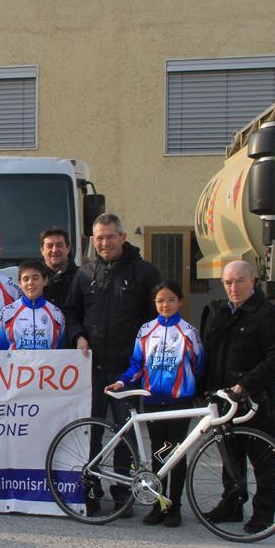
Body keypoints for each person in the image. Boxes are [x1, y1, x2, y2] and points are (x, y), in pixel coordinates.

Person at [63, 213, 161, 516]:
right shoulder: (85, 273)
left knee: (125, 435)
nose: (104, 243)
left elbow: (156, 320)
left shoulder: (145, 272)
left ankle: (123, 492)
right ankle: (91, 490)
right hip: (92, 369)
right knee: (91, 432)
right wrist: (78, 335)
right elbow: (71, 312)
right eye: (99, 238)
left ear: (122, 237)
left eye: (109, 236)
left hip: (127, 371)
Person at [199, 260, 275, 533]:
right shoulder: (219, 313)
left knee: (262, 459)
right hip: (223, 399)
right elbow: (209, 354)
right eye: (228, 282)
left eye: (239, 281)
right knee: (230, 457)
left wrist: (246, 385)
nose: (233, 287)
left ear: (253, 281)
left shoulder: (268, 314)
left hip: (254, 399)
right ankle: (232, 505)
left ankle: (263, 514)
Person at [106, 280, 204, 527]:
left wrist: (190, 388)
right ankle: (159, 504)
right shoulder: (146, 330)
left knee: (176, 454)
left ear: (180, 301)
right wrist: (122, 381)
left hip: (179, 402)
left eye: (171, 299)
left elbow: (199, 364)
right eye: (160, 300)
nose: (165, 305)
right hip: (152, 401)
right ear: (154, 303)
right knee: (159, 453)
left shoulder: (188, 331)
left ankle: (175, 507)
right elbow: (137, 365)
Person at [0, 260, 65, 350]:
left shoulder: (56, 314)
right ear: (19, 283)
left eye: (35, 278)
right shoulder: (7, 312)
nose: (30, 282)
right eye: (26, 279)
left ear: (45, 280)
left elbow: (62, 350)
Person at [40, 226, 78, 310]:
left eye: (59, 245)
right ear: (42, 250)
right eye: (49, 246)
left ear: (68, 248)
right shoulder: (34, 278)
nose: (54, 250)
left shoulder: (81, 277)